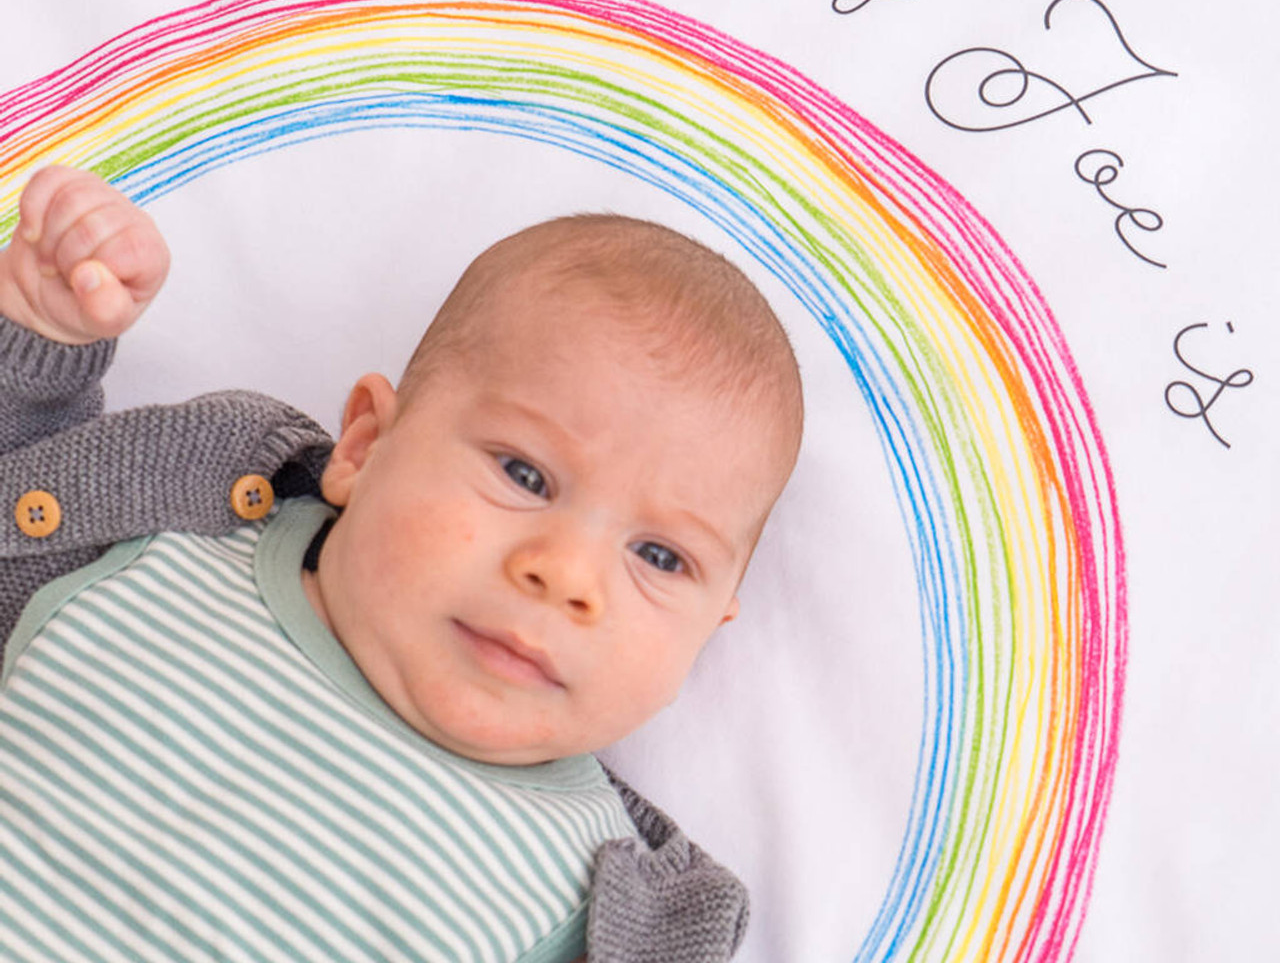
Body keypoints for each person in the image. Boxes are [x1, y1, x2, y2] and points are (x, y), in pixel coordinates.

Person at [0, 165, 803, 963]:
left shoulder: (594, 901)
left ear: (711, 626)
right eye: (525, 476)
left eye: (659, 556)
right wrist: (39, 344)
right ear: (364, 447)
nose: (565, 576)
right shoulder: (179, 532)